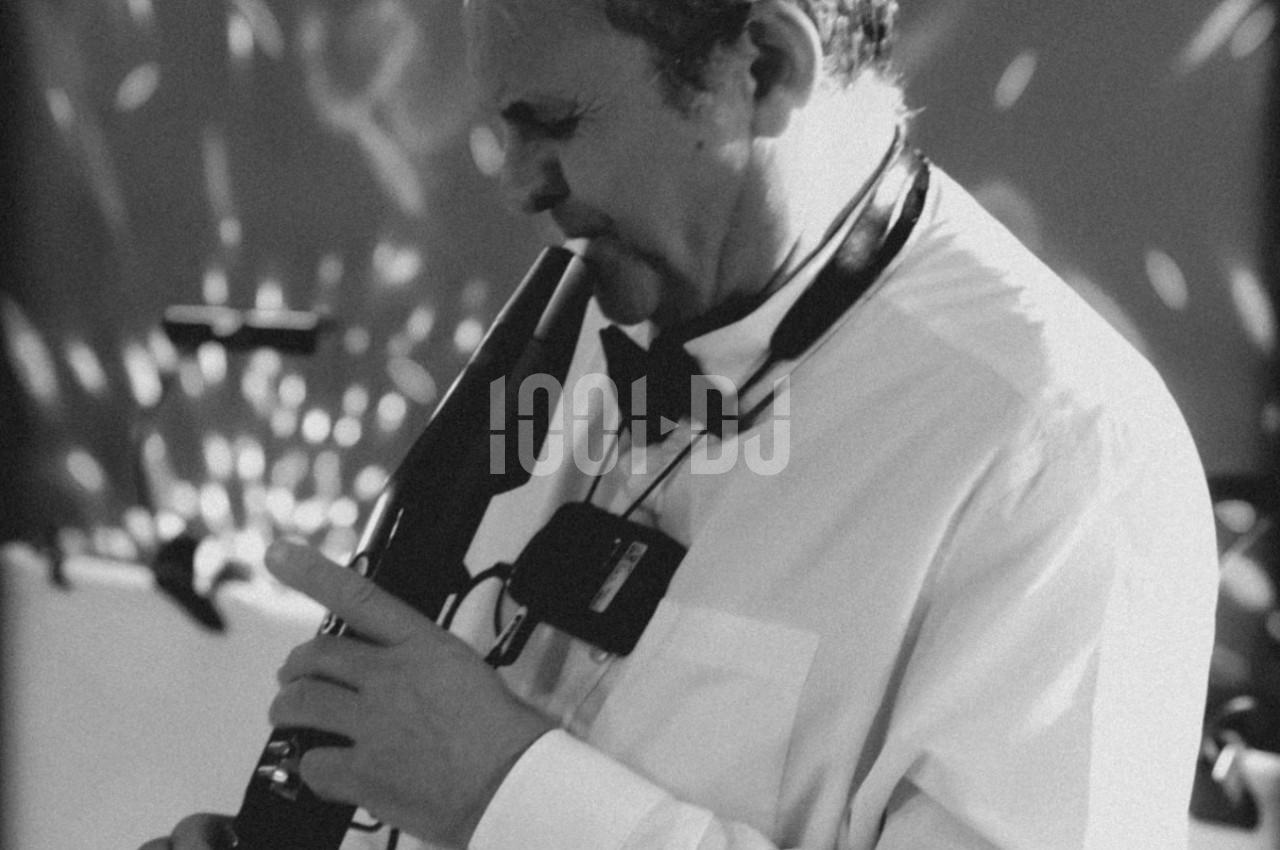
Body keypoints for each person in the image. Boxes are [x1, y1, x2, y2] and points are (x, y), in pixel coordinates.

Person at [141, 0, 1221, 847]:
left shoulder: (1063, 456)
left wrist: (503, 789)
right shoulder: (586, 327)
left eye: (553, 123)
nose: (516, 186)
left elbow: (488, 783)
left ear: (762, 65)